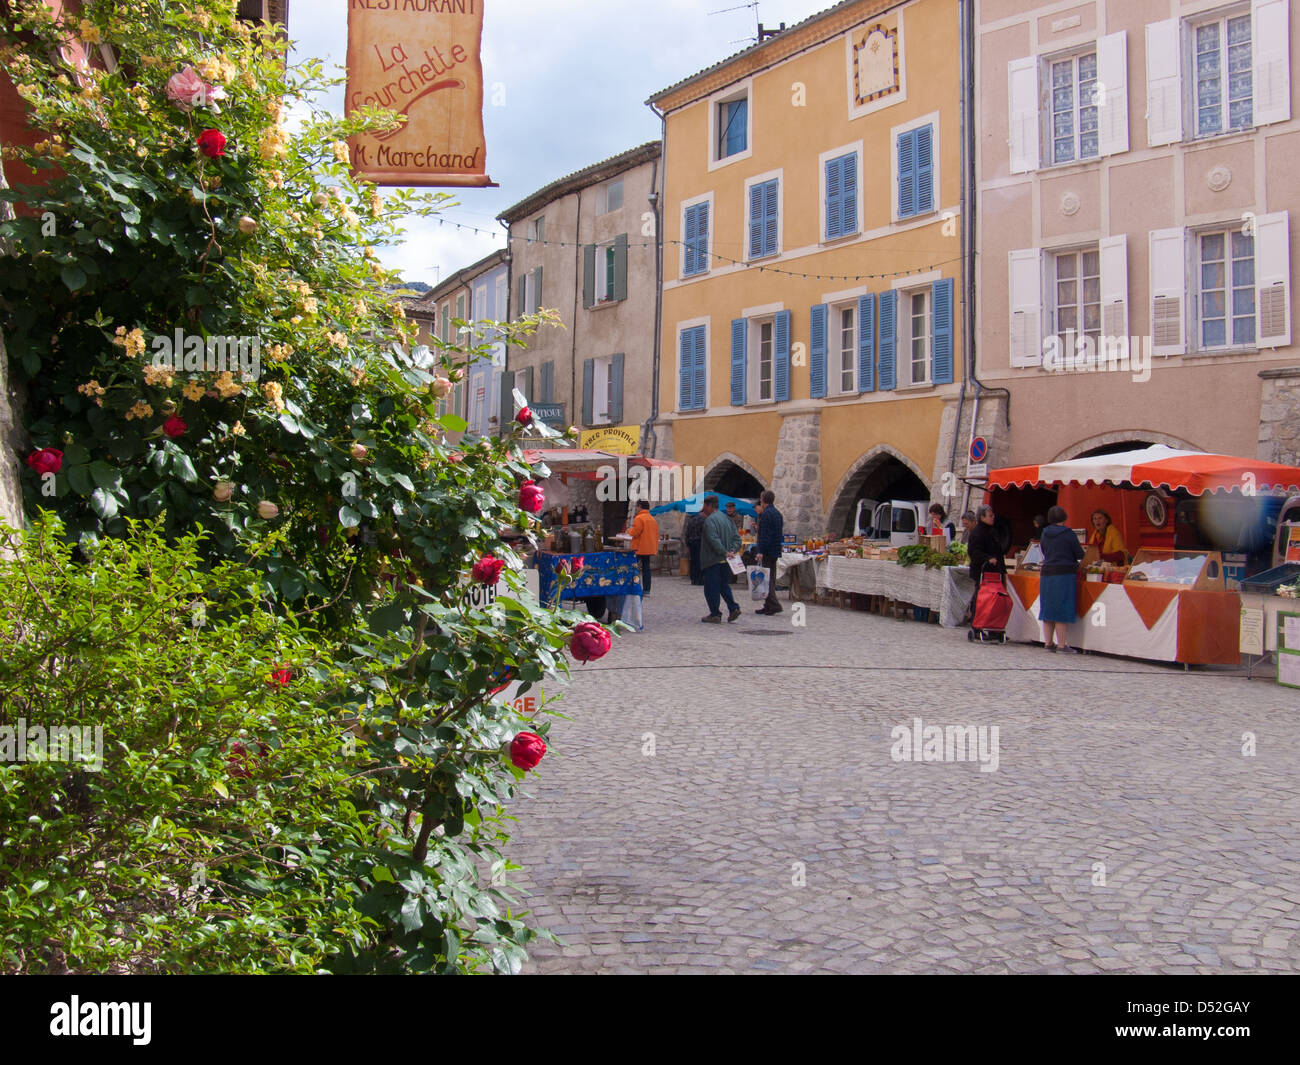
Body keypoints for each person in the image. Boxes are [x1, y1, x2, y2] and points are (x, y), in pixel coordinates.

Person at [1039, 505, 1085, 652]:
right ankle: (1061, 645)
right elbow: (1079, 553)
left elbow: (1044, 550)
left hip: (1047, 573)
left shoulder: (1045, 533)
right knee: (1062, 609)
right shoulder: (1068, 533)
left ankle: (1048, 643)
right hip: (1064, 573)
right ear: (1064, 518)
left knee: (1047, 608)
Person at [700, 495, 742, 623]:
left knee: (711, 587)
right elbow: (737, 538)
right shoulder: (727, 519)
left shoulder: (709, 521)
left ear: (709, 506)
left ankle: (715, 613)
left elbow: (713, 539)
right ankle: (733, 607)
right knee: (724, 586)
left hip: (713, 559)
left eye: (704, 506)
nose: (703, 509)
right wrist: (732, 551)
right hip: (726, 560)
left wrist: (724, 552)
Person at [966, 504, 1006, 626]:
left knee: (993, 599)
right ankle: (977, 622)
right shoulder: (977, 533)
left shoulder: (991, 531)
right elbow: (974, 551)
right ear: (982, 517)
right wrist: (988, 559)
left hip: (994, 570)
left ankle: (991, 623)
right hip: (983, 570)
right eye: (990, 515)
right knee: (981, 597)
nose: (993, 517)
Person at [754, 489, 784, 615]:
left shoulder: (766, 514)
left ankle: (774, 604)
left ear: (762, 500)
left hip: (768, 550)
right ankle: (768, 604)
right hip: (775, 549)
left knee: (767, 579)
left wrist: (761, 551)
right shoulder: (777, 513)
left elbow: (765, 535)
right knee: (770, 577)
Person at [627, 499, 659, 597]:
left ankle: (633, 588)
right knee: (646, 568)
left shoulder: (639, 518)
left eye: (637, 507)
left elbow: (636, 532)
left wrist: (629, 531)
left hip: (639, 547)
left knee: (634, 568)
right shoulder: (652, 519)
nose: (636, 509)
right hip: (649, 547)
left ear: (640, 506)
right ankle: (646, 590)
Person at [683, 506, 706, 585]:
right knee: (700, 561)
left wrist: (687, 545)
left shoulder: (692, 519)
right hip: (701, 543)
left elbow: (687, 533)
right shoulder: (704, 520)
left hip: (692, 543)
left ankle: (693, 579)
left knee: (693, 561)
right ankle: (700, 580)